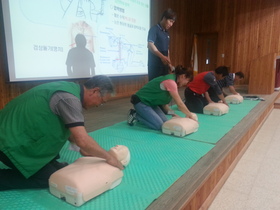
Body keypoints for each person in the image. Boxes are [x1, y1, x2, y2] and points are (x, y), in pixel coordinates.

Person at [0, 75, 123, 190]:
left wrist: (80, 146)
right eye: (101, 102)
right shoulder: (69, 99)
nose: (98, 105)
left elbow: (71, 131)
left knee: (56, 166)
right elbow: (83, 140)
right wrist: (109, 157)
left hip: (14, 132)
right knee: (49, 179)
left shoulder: (69, 89)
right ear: (95, 91)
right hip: (8, 143)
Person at [127, 65, 197, 130]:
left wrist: (173, 114)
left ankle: (144, 115)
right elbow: (180, 103)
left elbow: (164, 105)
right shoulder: (171, 82)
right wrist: (190, 115)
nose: (186, 83)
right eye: (187, 80)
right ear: (183, 76)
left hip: (152, 103)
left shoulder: (174, 81)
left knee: (166, 123)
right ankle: (135, 115)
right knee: (159, 126)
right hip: (141, 102)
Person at [147, 8, 176, 81]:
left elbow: (167, 50)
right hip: (155, 66)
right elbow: (150, 45)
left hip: (164, 67)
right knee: (154, 87)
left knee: (164, 87)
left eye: (173, 22)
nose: (171, 24)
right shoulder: (154, 29)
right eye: (170, 21)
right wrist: (162, 57)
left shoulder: (167, 33)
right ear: (164, 18)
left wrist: (169, 64)